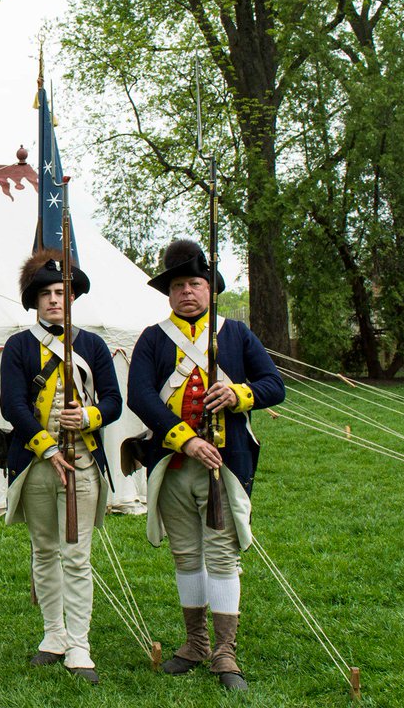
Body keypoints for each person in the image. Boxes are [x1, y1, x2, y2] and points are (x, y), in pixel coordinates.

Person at [125, 239, 284, 691]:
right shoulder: (154, 338)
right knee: (187, 554)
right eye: (178, 285)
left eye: (195, 283)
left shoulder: (235, 335)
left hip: (225, 463)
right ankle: (195, 643)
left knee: (221, 554)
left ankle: (224, 651)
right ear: (169, 293)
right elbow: (140, 396)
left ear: (210, 288)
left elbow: (275, 384)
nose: (187, 292)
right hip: (175, 464)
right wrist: (185, 440)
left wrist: (239, 394)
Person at [0, 250, 122, 684]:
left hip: (84, 463)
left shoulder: (91, 345)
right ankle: (53, 636)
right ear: (35, 301)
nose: (55, 300)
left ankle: (80, 644)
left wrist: (87, 418)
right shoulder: (19, 345)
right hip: (37, 465)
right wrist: (47, 449)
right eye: (47, 293)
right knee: (44, 551)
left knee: (77, 555)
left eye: (62, 292)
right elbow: (12, 403)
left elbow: (112, 401)